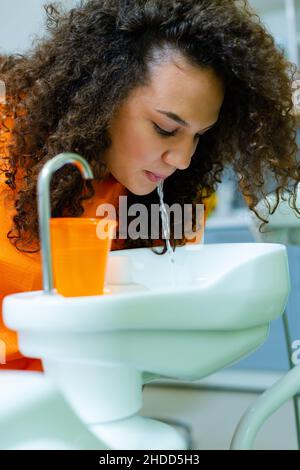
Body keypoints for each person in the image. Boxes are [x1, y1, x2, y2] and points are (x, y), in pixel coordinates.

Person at [0, 0, 299, 372]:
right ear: (103, 92)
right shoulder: (9, 138)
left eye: (199, 136)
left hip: (75, 393)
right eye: (165, 129)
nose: (183, 159)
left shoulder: (168, 195)